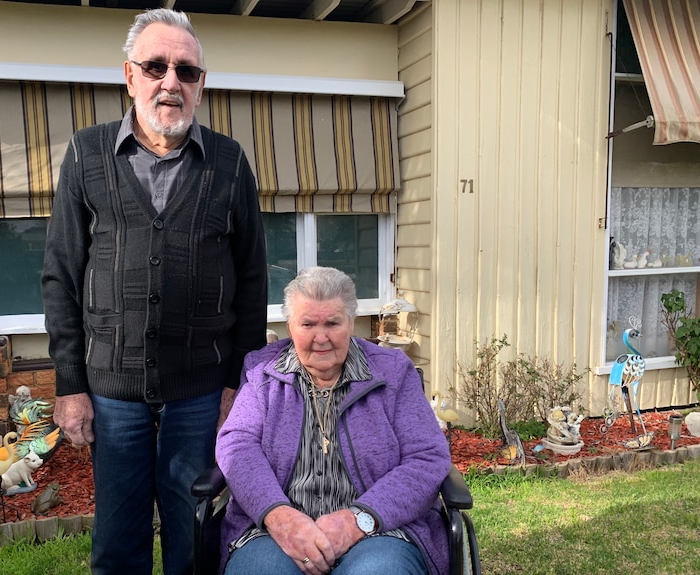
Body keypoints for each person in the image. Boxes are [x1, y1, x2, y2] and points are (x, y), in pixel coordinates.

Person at [40, 8, 268, 575]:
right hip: (113, 391)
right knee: (118, 538)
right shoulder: (87, 155)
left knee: (194, 532)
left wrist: (237, 383)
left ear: (201, 84)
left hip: (199, 390)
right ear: (130, 75)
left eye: (186, 71)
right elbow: (61, 274)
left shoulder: (230, 162)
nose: (171, 82)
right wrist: (70, 386)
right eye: (156, 66)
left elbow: (253, 281)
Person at [216, 267, 452, 575]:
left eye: (332, 323)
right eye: (308, 324)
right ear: (290, 325)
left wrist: (358, 520)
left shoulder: (393, 372)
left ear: (352, 323)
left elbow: (427, 457)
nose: (321, 337)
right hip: (272, 532)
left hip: (380, 530)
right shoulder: (262, 372)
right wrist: (279, 517)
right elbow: (238, 446)